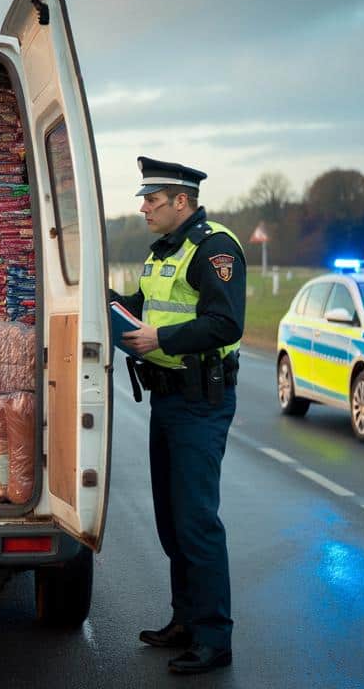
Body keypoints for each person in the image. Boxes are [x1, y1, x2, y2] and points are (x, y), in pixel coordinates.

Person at [110, 157, 245, 675]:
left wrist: (161, 339)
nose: (144, 207)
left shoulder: (214, 248)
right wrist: (103, 301)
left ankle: (215, 638)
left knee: (196, 520)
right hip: (168, 398)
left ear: (181, 202)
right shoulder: (163, 251)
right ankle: (185, 620)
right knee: (170, 517)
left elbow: (225, 323)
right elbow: (144, 306)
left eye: (152, 199)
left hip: (200, 400)